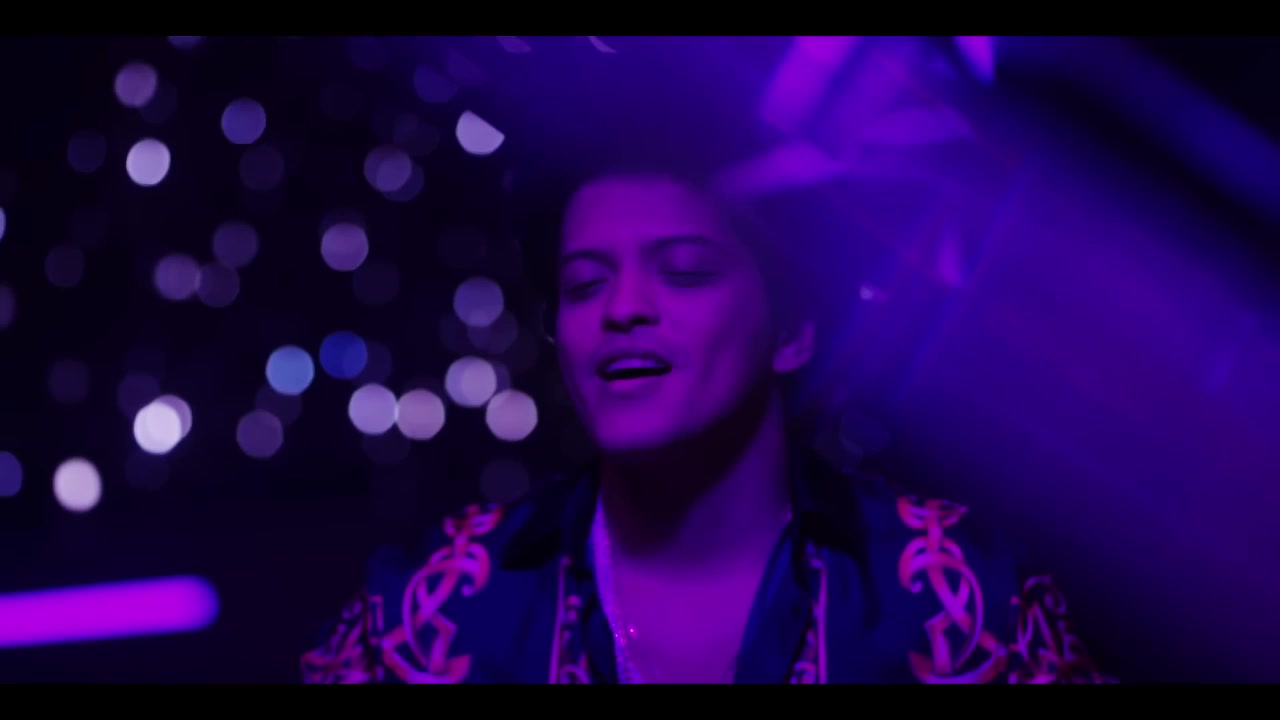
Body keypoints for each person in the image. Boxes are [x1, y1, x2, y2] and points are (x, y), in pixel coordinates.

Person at [300, 152, 1111, 684]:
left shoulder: (957, 593)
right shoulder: (431, 605)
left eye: (684, 272)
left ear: (794, 331)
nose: (622, 309)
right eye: (584, 285)